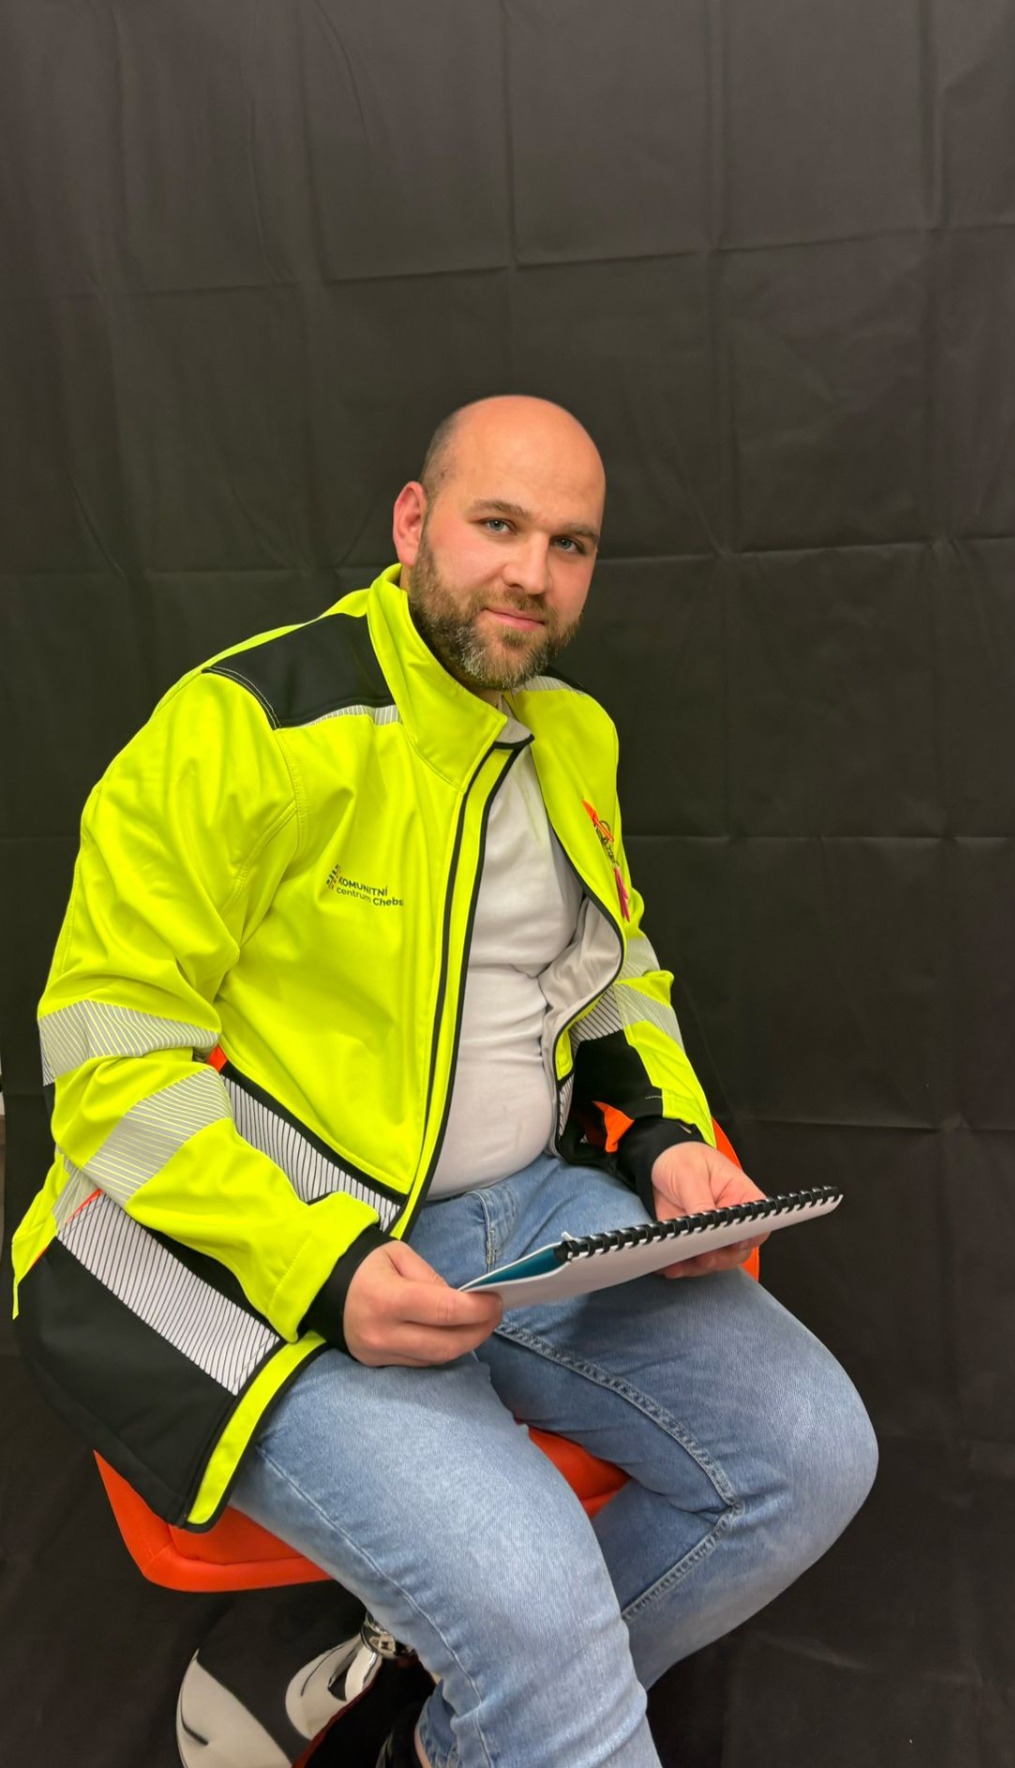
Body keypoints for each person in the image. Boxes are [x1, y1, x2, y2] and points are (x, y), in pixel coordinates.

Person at [13, 395, 877, 1768]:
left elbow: (617, 978)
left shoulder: (574, 739)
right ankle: (538, 1696)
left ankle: (463, 1735)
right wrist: (323, 1266)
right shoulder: (242, 724)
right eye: (498, 524)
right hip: (282, 1247)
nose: (532, 571)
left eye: (570, 544)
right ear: (413, 524)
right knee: (533, 1604)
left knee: (814, 1454)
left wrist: (667, 1142)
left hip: (524, 1224)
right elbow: (105, 1061)